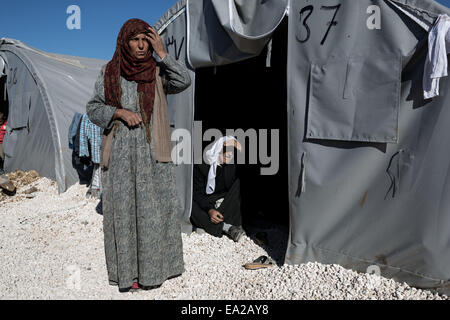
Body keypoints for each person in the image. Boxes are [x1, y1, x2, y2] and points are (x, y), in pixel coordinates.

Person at [86, 18, 191, 292]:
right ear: (125, 41)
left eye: (146, 40)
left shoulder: (157, 72)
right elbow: (93, 108)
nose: (142, 45)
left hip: (152, 155)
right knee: (124, 214)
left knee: (153, 212)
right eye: (136, 40)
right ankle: (128, 275)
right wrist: (119, 112)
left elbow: (184, 80)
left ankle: (157, 270)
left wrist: (163, 53)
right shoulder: (109, 72)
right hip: (120, 157)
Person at [191, 137, 245, 242]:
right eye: (226, 150)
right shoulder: (201, 165)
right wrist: (209, 210)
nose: (230, 154)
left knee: (238, 185)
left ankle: (233, 225)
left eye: (232, 151)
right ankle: (226, 227)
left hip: (222, 203)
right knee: (190, 205)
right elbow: (197, 193)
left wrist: (240, 147)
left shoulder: (231, 165)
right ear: (217, 149)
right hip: (205, 204)